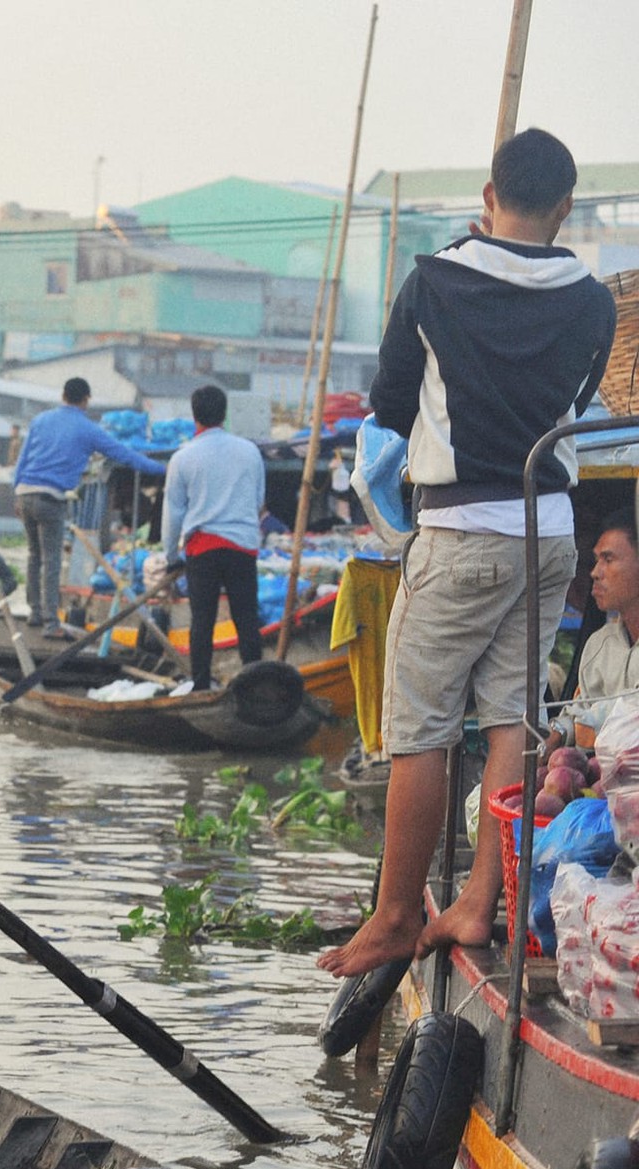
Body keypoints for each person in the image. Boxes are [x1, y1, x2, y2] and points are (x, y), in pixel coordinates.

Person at [320, 128, 617, 978]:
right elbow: (575, 397)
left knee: (417, 733)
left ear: (488, 196)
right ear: (563, 207)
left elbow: (386, 402)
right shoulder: (594, 301)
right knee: (512, 726)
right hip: (548, 528)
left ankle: (391, 915)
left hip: (458, 531)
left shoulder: (434, 280)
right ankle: (478, 904)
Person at [14, 377, 167, 638]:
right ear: (86, 400)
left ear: (63, 396)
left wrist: (15, 493)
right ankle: (51, 624)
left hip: (25, 492)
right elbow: (125, 456)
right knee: (51, 559)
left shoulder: (40, 420)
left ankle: (35, 612)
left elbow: (22, 460)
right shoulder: (88, 429)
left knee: (34, 555)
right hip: (51, 497)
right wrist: (164, 469)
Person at [163, 385, 268, 692]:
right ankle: (255, 682)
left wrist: (172, 558)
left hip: (202, 548)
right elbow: (258, 501)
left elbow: (173, 514)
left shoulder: (183, 458)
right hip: (242, 546)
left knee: (202, 620)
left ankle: (200, 685)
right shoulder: (250, 452)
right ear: (225, 415)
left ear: (195, 416)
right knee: (247, 618)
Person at [570, 517, 639, 743]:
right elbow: (578, 713)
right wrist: (560, 732)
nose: (595, 572)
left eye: (608, 559)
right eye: (596, 560)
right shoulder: (598, 644)